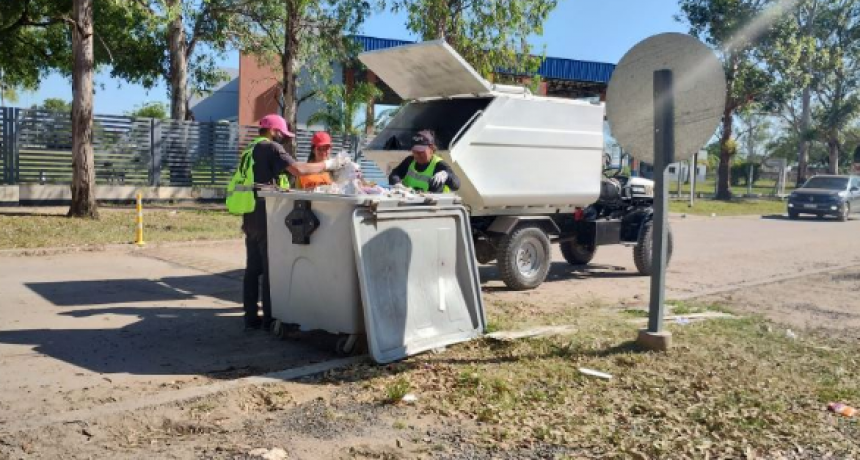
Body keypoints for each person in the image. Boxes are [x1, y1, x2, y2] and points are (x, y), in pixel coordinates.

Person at [241, 114, 349, 331]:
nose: (285, 139)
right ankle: (270, 319)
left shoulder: (249, 149)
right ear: (274, 131)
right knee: (271, 267)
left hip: (249, 212)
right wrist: (330, 163)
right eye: (283, 134)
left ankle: (251, 317)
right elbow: (299, 170)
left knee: (253, 268)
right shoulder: (271, 147)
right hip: (264, 214)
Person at [388, 130, 460, 193]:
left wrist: (447, 176)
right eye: (415, 151)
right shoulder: (410, 161)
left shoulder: (439, 165)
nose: (417, 155)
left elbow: (456, 185)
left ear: (431, 149)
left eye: (421, 152)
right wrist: (397, 184)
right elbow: (395, 173)